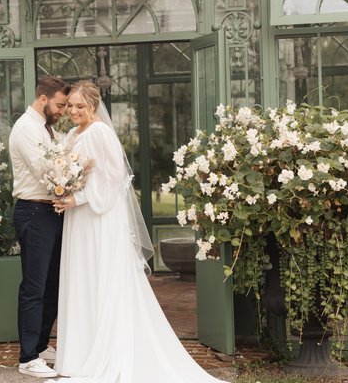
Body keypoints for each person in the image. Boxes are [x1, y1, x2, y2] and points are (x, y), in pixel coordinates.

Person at [50, 80, 228, 383]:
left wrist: (76, 197)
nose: (74, 111)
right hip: (77, 221)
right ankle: (79, 355)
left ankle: (104, 354)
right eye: (70, 106)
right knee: (81, 279)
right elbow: (69, 170)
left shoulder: (100, 132)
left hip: (97, 218)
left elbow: (114, 176)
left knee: (100, 279)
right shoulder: (69, 134)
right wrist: (60, 186)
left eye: (81, 105)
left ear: (93, 105)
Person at [9, 76, 70, 378]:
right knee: (34, 286)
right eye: (60, 105)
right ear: (43, 99)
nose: (63, 110)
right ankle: (28, 356)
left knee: (53, 285)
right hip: (33, 211)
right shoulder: (25, 129)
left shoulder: (49, 129)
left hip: (53, 213)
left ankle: (43, 344)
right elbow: (48, 172)